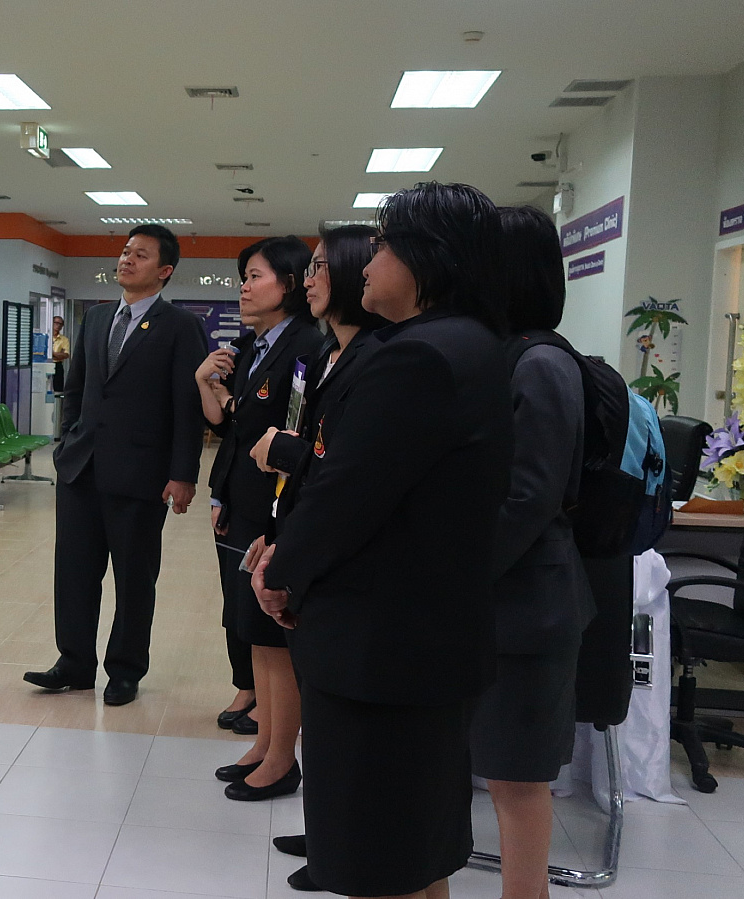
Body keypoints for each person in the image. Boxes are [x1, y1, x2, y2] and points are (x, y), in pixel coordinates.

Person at [251, 182, 512, 899]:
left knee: (381, 858)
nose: (367, 265)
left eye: (384, 247)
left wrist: (282, 571)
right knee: (418, 850)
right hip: (431, 640)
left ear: (428, 257)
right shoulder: (474, 344)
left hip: (382, 648)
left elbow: (347, 493)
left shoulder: (416, 357)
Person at [245, 223, 386, 892]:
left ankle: (341, 844)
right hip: (297, 526)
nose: (310, 280)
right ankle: (327, 831)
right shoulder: (330, 352)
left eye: (322, 266)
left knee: (346, 719)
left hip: (347, 564)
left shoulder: (379, 357)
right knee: (322, 710)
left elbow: (344, 468)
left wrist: (286, 454)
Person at [24, 224, 207, 706]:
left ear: (164, 271)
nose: (127, 260)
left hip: (141, 476)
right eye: (126, 251)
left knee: (134, 579)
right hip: (80, 469)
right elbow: (77, 389)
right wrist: (66, 442)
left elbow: (187, 406)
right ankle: (74, 662)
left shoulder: (180, 326)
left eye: (141, 255)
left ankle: (125, 670)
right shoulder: (98, 318)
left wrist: (183, 474)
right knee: (74, 573)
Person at [472, 205, 595, 899]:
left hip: (530, 604)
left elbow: (528, 497)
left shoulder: (542, 362)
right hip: (505, 601)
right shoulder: (509, 352)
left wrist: (458, 572)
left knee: (518, 780)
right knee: (501, 772)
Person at [197, 237, 321, 795]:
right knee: (253, 630)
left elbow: (289, 436)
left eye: (255, 276)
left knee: (273, 635)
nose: (244, 288)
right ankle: (265, 744)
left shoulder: (304, 347)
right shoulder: (254, 345)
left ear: (289, 284)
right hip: (244, 502)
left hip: (273, 508)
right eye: (243, 277)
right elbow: (233, 426)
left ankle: (281, 757)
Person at [50, 314, 71, 393]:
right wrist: (58, 354)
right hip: (47, 363)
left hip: (57, 365)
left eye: (60, 324)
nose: (58, 325)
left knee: (58, 388)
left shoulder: (64, 339)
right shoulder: (47, 336)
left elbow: (66, 355)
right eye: (56, 323)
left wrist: (52, 353)